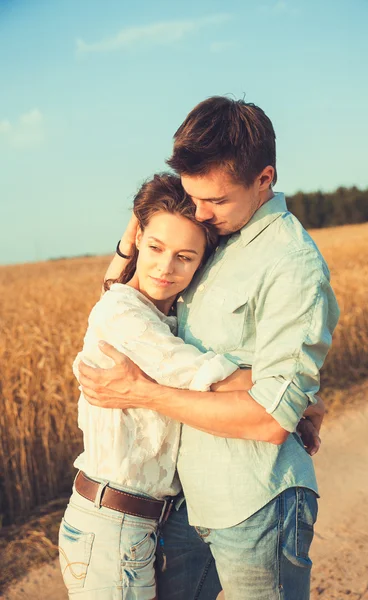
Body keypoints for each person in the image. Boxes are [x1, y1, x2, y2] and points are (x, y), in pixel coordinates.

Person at [78, 97, 340, 600]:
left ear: (264, 179)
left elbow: (268, 420)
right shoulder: (217, 235)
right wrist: (127, 245)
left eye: (214, 200)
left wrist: (141, 391)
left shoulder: (292, 265)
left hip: (256, 502)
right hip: (189, 506)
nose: (200, 212)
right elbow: (136, 313)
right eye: (194, 198)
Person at [58, 173, 257, 600]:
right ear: (140, 238)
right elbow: (206, 376)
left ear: (203, 262)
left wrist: (128, 248)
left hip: (142, 523)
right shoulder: (123, 315)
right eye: (155, 248)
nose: (166, 268)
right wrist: (298, 391)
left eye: (185, 257)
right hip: (111, 527)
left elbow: (116, 284)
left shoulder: (155, 314)